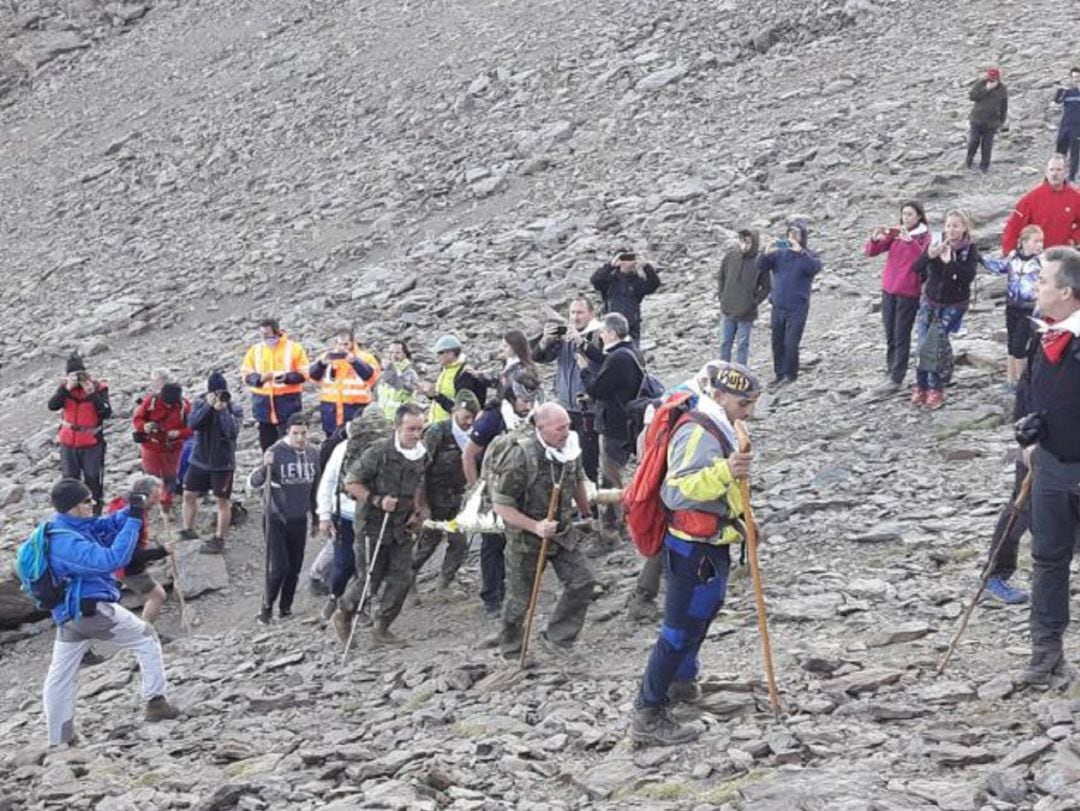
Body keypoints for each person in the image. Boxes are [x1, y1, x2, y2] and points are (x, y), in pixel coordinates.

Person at [631, 362, 761, 746]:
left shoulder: (722, 423)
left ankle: (682, 681)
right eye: (744, 403)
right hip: (689, 546)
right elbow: (677, 490)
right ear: (719, 396)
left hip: (713, 540)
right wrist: (725, 471)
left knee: (707, 608)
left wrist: (743, 519)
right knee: (676, 628)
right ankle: (648, 711)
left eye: (752, 403)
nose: (749, 411)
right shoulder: (696, 429)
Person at [41, 478, 178, 746]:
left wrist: (132, 508)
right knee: (146, 636)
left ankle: (60, 739)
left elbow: (107, 525)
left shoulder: (67, 526)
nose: (93, 504)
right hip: (92, 609)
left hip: (69, 613)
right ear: (72, 507)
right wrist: (135, 521)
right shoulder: (67, 543)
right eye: (87, 501)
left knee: (60, 675)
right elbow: (112, 560)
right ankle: (156, 701)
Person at [1018, 247, 1080, 685]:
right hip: (1052, 465)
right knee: (1048, 559)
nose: (1036, 287)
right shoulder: (1043, 335)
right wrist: (1027, 431)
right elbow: (1028, 390)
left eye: (1043, 281)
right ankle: (1046, 653)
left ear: (1068, 292)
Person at [490, 402, 596, 659]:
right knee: (520, 601)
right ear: (541, 428)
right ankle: (512, 650)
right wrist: (535, 527)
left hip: (562, 532)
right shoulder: (521, 456)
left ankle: (559, 637)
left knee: (583, 582)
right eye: (560, 428)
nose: (566, 432)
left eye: (568, 426)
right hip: (526, 538)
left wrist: (587, 513)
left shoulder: (570, 446)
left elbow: (577, 478)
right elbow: (501, 505)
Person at [332, 404, 429, 647]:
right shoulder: (379, 452)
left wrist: (418, 509)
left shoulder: (421, 453)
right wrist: (377, 499)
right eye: (411, 429)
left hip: (402, 526)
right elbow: (351, 481)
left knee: (402, 578)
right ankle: (343, 613)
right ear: (398, 427)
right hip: (373, 524)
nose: (416, 434)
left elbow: (419, 482)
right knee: (370, 578)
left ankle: (382, 627)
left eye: (420, 428)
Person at [463, 375, 542, 616]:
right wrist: (475, 488)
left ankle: (515, 590)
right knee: (493, 542)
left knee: (519, 541)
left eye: (531, 400)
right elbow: (468, 454)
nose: (527, 405)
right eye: (522, 400)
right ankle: (491, 596)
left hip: (525, 486)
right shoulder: (492, 418)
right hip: (494, 486)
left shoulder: (536, 416)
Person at [249, 413, 320, 623]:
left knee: (295, 567)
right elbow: (254, 482)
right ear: (288, 432)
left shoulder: (313, 454)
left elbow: (315, 487)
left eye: (303, 433)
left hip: (299, 517)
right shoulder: (276, 452)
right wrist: (265, 466)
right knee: (279, 567)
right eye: (295, 433)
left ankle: (286, 608)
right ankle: (266, 608)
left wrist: (315, 517)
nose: (300, 438)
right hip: (276, 518)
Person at [411, 390, 481, 598]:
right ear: (455, 411)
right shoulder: (437, 432)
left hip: (455, 498)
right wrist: (421, 504)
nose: (469, 422)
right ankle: (407, 580)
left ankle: (444, 584)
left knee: (459, 543)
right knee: (427, 543)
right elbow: (420, 469)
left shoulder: (472, 436)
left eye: (472, 418)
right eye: (466, 416)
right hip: (433, 497)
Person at [579, 313, 644, 534]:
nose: (600, 335)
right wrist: (584, 347)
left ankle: (614, 525)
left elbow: (597, 387)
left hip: (614, 426)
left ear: (612, 333)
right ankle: (619, 520)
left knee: (610, 474)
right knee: (614, 472)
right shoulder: (630, 350)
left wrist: (584, 370)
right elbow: (608, 368)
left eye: (602, 332)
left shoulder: (618, 358)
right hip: (626, 424)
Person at [911, 210, 980, 410]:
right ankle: (921, 385)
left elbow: (967, 277)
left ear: (964, 228)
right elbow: (916, 268)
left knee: (934, 344)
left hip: (953, 304)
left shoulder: (969, 249)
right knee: (922, 344)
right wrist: (929, 256)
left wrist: (950, 263)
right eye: (948, 226)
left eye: (956, 226)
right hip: (930, 301)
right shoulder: (935, 242)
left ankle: (936, 389)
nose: (951, 230)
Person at [532, 297, 604, 485]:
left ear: (591, 314)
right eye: (572, 313)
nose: (575, 317)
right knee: (563, 459)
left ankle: (592, 507)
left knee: (588, 463)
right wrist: (545, 340)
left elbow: (604, 361)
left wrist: (581, 342)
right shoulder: (564, 337)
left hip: (589, 410)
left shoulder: (599, 335)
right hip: (565, 409)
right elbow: (537, 357)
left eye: (580, 313)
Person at [865, 201, 932, 391]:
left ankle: (897, 377)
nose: (906, 218)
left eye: (910, 214)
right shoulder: (896, 234)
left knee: (901, 334)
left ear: (919, 216)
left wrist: (909, 242)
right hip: (889, 289)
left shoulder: (924, 237)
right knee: (890, 334)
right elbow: (871, 252)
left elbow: (923, 259)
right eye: (904, 214)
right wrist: (876, 239)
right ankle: (890, 370)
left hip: (908, 292)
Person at [180, 372, 242, 554]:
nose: (218, 395)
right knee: (188, 495)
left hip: (222, 464)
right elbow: (193, 424)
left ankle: (219, 539)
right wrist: (209, 406)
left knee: (222, 501)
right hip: (200, 459)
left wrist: (222, 410)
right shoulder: (200, 403)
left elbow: (231, 432)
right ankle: (188, 529)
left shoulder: (234, 408)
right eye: (215, 392)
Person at [756, 219, 822, 388]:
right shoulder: (780, 254)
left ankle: (790, 375)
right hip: (778, 305)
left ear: (803, 236)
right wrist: (766, 252)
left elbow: (814, 268)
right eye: (790, 233)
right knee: (777, 341)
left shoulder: (808, 255)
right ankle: (779, 374)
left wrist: (800, 251)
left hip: (797, 307)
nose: (792, 237)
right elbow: (760, 266)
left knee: (791, 343)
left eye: (796, 233)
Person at [47, 354, 112, 515]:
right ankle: (70, 513)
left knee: (92, 480)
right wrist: (66, 389)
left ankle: (94, 513)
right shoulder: (64, 388)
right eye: (74, 375)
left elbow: (106, 412)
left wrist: (92, 394)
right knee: (69, 481)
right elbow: (52, 405)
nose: (78, 379)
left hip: (91, 443)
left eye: (80, 374)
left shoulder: (98, 388)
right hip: (69, 443)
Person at [984, 225, 1044, 390]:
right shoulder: (1012, 257)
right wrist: (980, 259)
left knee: (1019, 346)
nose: (1040, 245)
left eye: (1041, 241)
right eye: (1036, 241)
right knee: (1011, 344)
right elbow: (1000, 267)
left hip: (1030, 309)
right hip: (1012, 307)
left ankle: (1022, 384)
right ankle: (1010, 381)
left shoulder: (1042, 261)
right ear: (1023, 242)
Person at [108, 476, 171, 626]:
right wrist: (162, 551)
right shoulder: (132, 518)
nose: (157, 502)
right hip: (127, 567)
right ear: (144, 496)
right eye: (155, 497)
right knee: (158, 596)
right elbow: (133, 555)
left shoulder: (125, 506)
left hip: (115, 563)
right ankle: (146, 633)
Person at [241, 318, 310, 450]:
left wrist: (286, 378)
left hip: (288, 406)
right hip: (263, 408)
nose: (264, 337)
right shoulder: (255, 350)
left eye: (267, 334)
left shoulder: (294, 349)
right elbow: (246, 374)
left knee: (289, 447)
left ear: (276, 332)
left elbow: (304, 373)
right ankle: (270, 470)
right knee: (267, 448)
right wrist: (260, 379)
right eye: (261, 334)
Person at [132, 381, 191, 516]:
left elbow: (191, 429)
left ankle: (165, 506)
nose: (169, 405)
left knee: (170, 478)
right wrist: (144, 426)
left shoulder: (184, 406)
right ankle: (146, 506)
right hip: (151, 446)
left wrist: (179, 433)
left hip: (173, 448)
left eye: (172, 403)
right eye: (167, 403)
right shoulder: (151, 402)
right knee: (150, 477)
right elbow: (137, 419)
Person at [308, 327, 380, 437]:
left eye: (346, 344)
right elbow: (312, 377)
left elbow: (373, 378)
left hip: (355, 409)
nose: (342, 348)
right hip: (331, 411)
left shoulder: (365, 357)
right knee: (331, 444)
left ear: (352, 343)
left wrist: (355, 362)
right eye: (340, 344)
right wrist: (321, 364)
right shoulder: (327, 357)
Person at [1001, 155, 1080, 254]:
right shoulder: (1031, 198)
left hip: (1062, 254)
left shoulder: (1075, 197)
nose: (1054, 174)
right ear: (1046, 172)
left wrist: (1074, 239)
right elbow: (1014, 226)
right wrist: (1008, 253)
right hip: (1037, 255)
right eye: (1051, 170)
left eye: (1058, 170)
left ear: (1065, 172)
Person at [717, 230, 770, 366]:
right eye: (742, 241)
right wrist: (722, 296)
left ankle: (741, 372)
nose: (744, 245)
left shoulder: (760, 261)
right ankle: (723, 372)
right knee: (725, 343)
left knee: (742, 344)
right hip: (727, 308)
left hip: (746, 313)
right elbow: (721, 277)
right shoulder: (730, 256)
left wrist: (753, 302)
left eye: (748, 242)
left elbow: (767, 287)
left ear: (754, 243)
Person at [590, 250, 661, 345]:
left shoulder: (637, 282)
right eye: (625, 258)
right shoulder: (610, 281)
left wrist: (646, 266)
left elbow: (654, 284)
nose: (628, 261)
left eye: (631, 258)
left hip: (631, 328)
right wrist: (611, 265)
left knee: (631, 355)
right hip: (610, 327)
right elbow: (595, 280)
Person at [422, 334, 493, 423]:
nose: (437, 356)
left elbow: (461, 409)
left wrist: (436, 396)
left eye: (440, 353)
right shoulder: (445, 370)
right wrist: (430, 394)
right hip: (438, 424)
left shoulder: (465, 374)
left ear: (451, 354)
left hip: (452, 428)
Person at [966, 66, 1008, 172]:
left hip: (992, 123)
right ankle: (969, 160)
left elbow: (1004, 105)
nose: (993, 80)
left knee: (987, 145)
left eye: (995, 78)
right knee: (973, 142)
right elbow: (972, 96)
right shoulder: (981, 84)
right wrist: (986, 89)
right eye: (991, 77)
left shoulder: (1002, 89)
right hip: (976, 119)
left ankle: (984, 166)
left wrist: (1001, 121)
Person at [378, 339, 420, 421]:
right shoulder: (386, 372)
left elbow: (403, 388)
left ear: (405, 354)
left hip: (401, 420)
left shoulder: (409, 372)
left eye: (397, 353)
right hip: (384, 419)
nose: (393, 356)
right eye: (390, 352)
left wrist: (389, 370)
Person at [1054, 67, 1080, 183]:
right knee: (1060, 152)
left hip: (1078, 127)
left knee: (1075, 152)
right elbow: (1057, 101)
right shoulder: (1067, 92)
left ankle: (1072, 177)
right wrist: (1061, 90)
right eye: (1074, 77)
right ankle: (1059, 175)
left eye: (1078, 77)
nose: (1076, 80)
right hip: (1065, 126)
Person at [500, 329, 542, 394]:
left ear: (515, 347)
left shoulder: (522, 370)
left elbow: (533, 391)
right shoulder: (508, 363)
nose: (502, 348)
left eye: (505, 346)